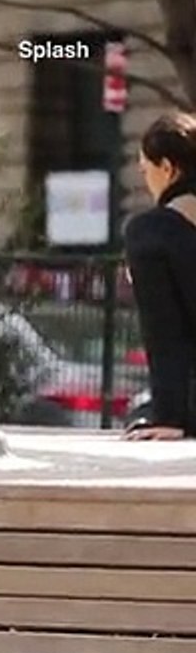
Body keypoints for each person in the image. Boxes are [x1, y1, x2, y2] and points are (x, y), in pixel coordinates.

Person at [124, 111, 196, 441]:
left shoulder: (152, 233)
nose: (146, 180)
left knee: (138, 415)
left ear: (167, 168)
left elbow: (165, 332)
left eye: (146, 170)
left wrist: (169, 417)